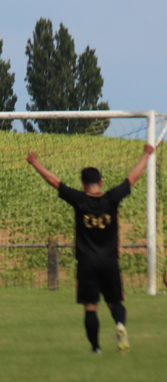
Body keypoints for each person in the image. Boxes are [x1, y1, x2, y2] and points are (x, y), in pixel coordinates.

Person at [26, 144, 154, 353]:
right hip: (110, 261)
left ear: (83, 184)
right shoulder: (112, 198)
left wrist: (35, 163)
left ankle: (96, 348)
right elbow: (132, 177)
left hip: (87, 262)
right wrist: (146, 154)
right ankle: (120, 325)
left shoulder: (79, 199)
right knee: (115, 302)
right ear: (101, 182)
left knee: (90, 307)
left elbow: (55, 182)